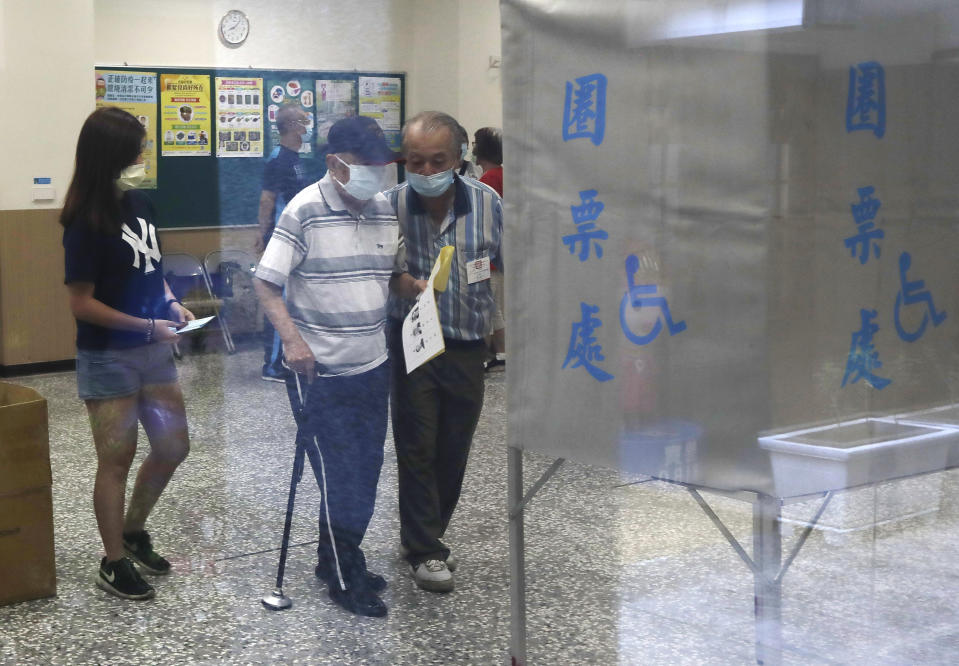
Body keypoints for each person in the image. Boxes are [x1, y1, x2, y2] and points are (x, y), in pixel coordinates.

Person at [253, 116, 401, 618]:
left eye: (381, 166)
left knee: (367, 471)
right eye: (365, 165)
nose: (376, 176)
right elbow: (267, 283)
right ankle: (343, 575)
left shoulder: (384, 211)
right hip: (321, 374)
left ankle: (337, 556)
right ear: (334, 163)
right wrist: (292, 341)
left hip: (373, 367)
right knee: (341, 477)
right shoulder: (305, 210)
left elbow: (389, 274)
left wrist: (418, 287)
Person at [60, 106, 194, 601]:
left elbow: (152, 269)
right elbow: (82, 303)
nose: (143, 156)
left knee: (173, 448)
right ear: (110, 156)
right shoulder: (84, 220)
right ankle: (113, 561)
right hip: (108, 356)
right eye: (136, 149)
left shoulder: (142, 205)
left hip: (153, 352)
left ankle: (134, 531)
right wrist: (146, 326)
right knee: (116, 460)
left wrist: (171, 302)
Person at [386, 111, 503, 593]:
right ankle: (425, 547)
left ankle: (427, 531)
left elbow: (512, 262)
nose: (428, 172)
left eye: (439, 161)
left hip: (466, 343)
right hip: (412, 343)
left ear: (460, 159)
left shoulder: (488, 203)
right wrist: (402, 281)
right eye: (417, 162)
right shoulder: (388, 206)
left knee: (453, 447)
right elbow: (375, 270)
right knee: (416, 445)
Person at [255, 105, 312, 382]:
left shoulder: (295, 158)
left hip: (297, 238)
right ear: (290, 125)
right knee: (281, 301)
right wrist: (262, 235)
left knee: (293, 301)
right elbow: (268, 199)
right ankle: (273, 365)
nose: (307, 126)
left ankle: (284, 360)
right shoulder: (278, 159)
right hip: (280, 238)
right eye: (303, 121)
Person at [473, 127, 506, 370]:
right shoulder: (501, 176)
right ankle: (501, 353)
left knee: (486, 306)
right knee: (495, 307)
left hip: (488, 255)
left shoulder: (488, 181)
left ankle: (487, 354)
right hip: (499, 254)